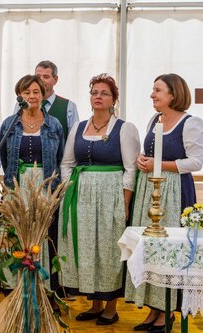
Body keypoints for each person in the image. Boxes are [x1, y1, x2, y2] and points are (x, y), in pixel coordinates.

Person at [58, 74, 140, 325]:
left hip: (110, 194)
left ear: (113, 99)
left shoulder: (124, 128)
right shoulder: (79, 127)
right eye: (94, 92)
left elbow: (131, 168)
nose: (98, 96)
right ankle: (94, 304)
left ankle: (110, 306)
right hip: (79, 194)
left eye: (104, 93)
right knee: (85, 246)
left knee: (108, 247)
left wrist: (124, 201)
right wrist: (69, 188)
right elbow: (67, 163)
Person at [125, 73, 203, 333]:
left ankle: (168, 310)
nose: (152, 95)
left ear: (173, 94)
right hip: (151, 189)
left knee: (168, 250)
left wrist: (161, 166)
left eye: (157, 90)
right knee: (151, 249)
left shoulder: (190, 123)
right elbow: (149, 153)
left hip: (174, 191)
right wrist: (142, 160)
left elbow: (196, 161)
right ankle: (154, 308)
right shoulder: (153, 120)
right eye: (153, 90)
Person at [0, 74, 64, 294]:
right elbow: (5, 158)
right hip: (18, 184)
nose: (32, 96)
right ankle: (15, 285)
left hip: (43, 185)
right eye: (26, 92)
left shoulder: (53, 124)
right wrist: (11, 182)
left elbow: (60, 157)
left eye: (36, 91)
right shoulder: (10, 123)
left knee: (39, 234)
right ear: (19, 95)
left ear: (43, 95)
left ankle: (39, 284)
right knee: (16, 232)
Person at [35, 60, 79, 140]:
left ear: (55, 79)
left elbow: (73, 140)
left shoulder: (69, 106)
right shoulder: (22, 105)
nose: (41, 80)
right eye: (38, 77)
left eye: (46, 77)